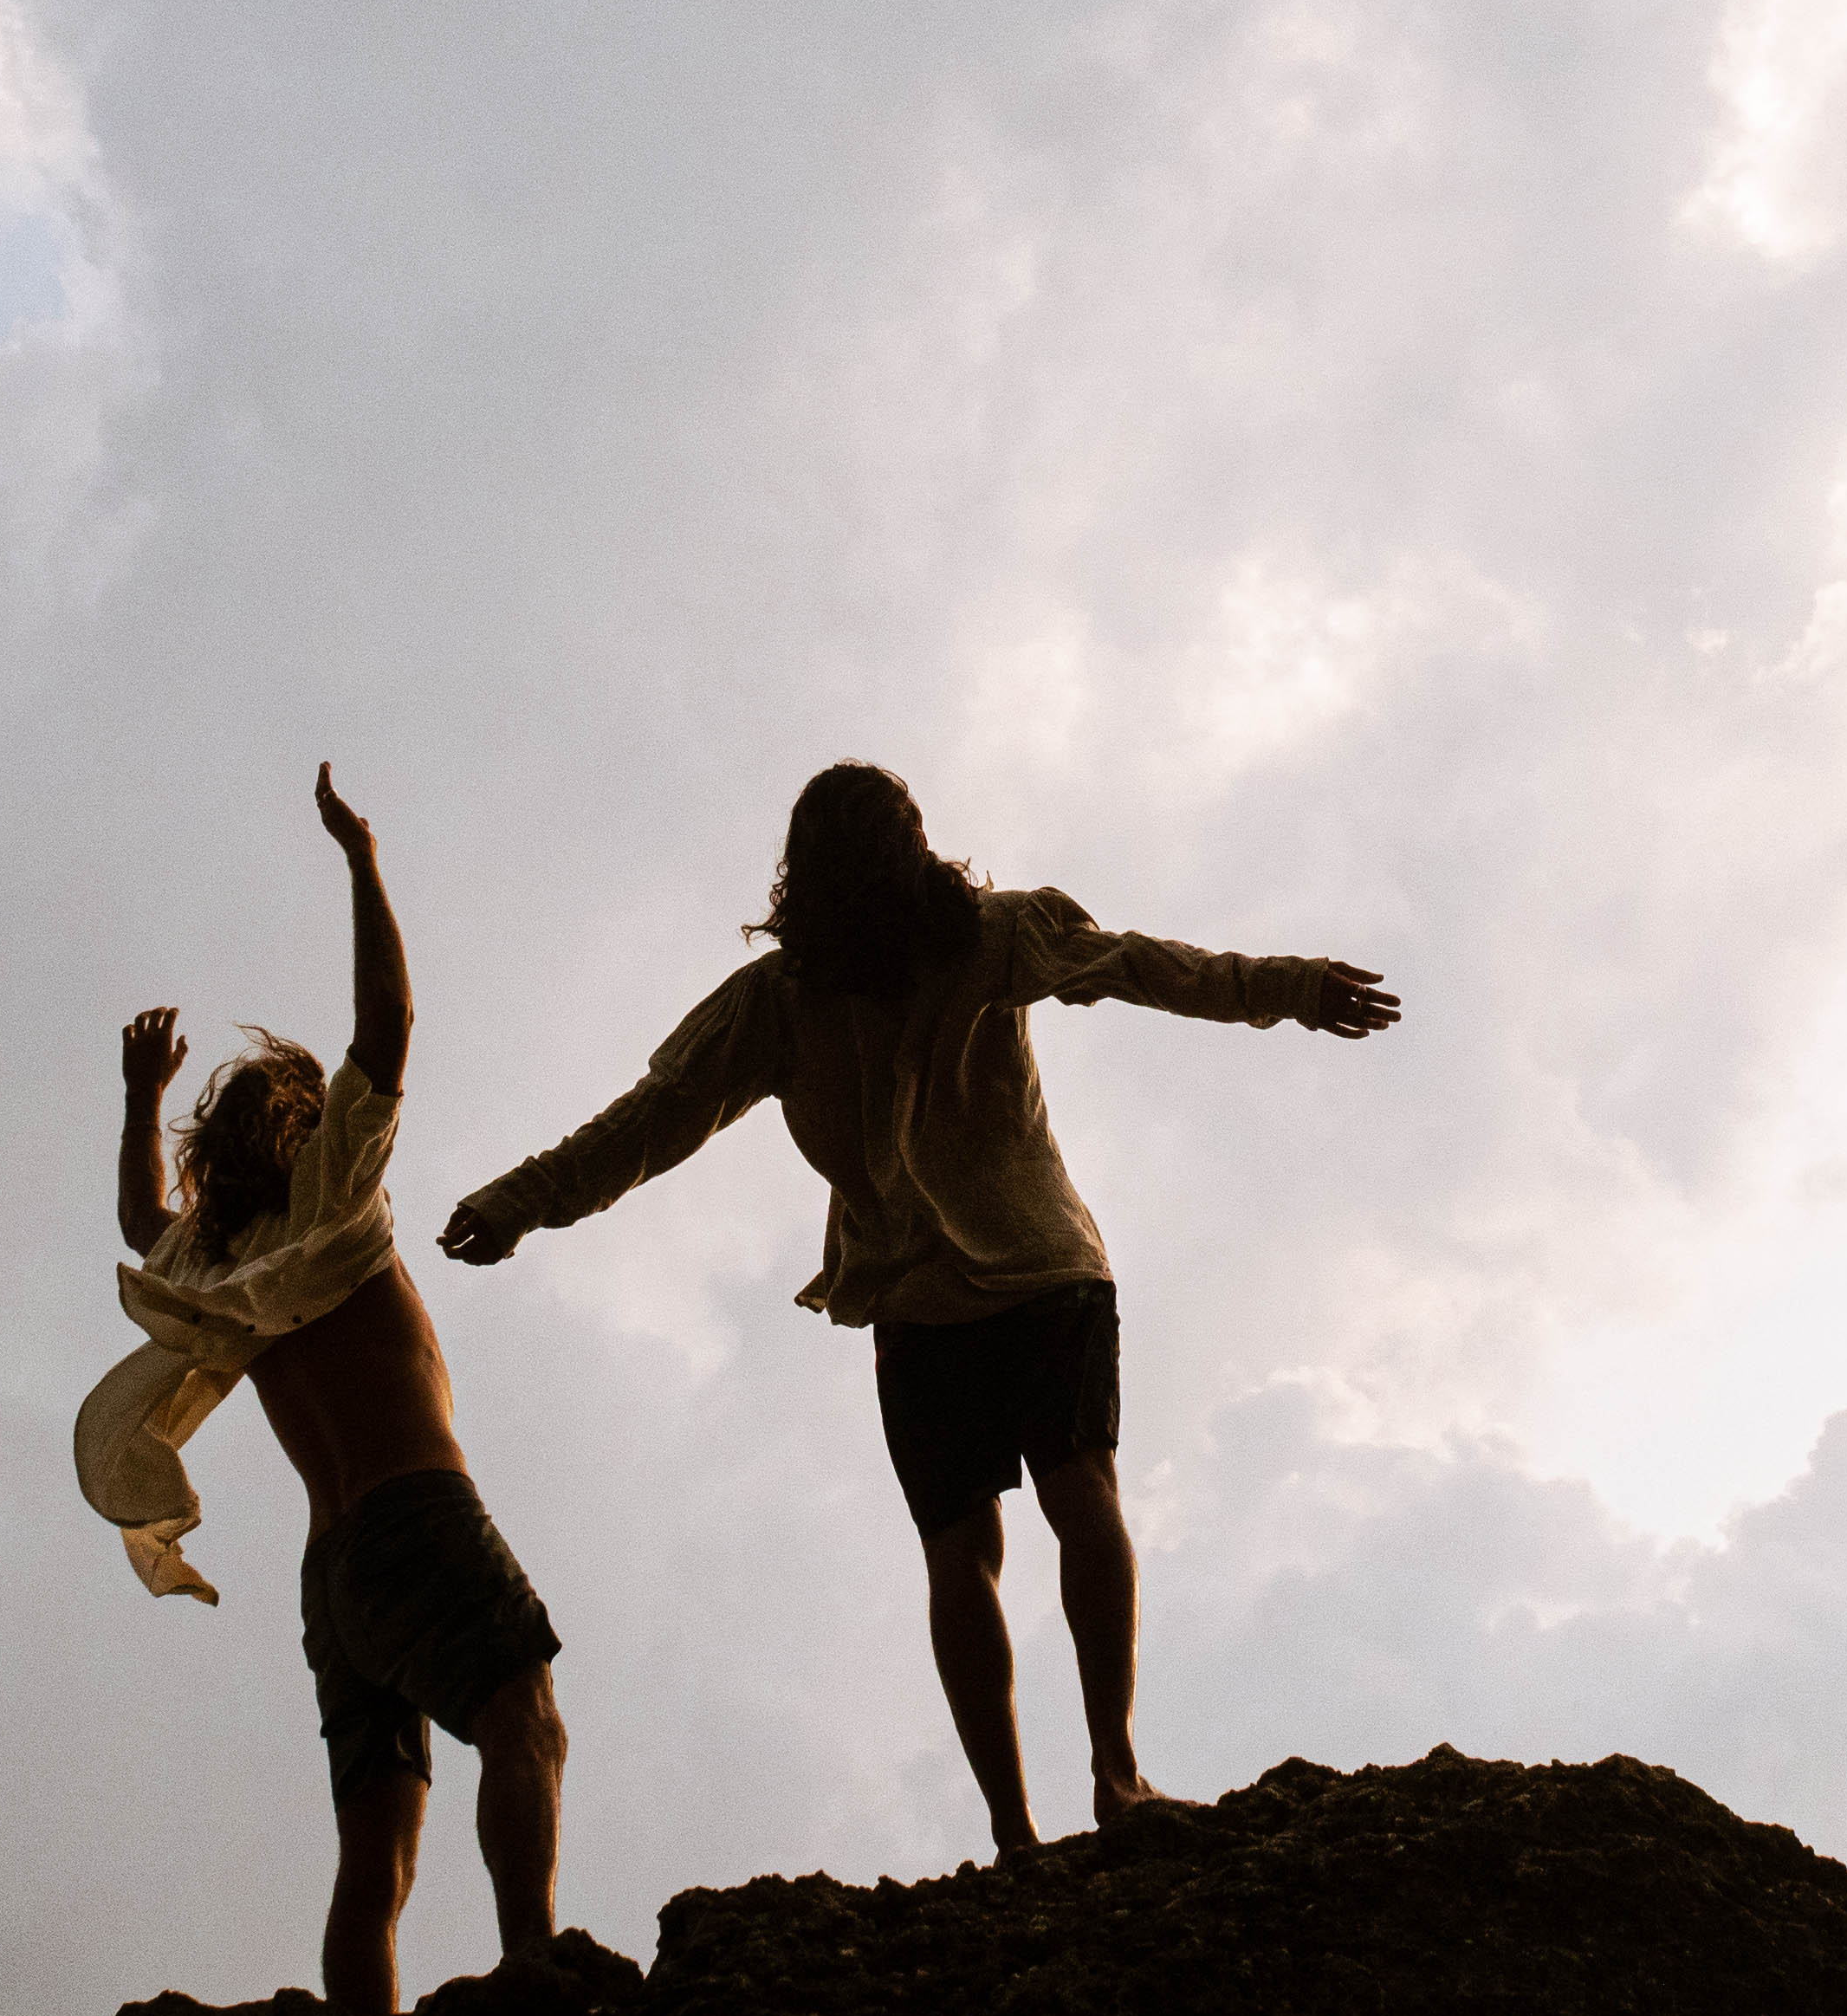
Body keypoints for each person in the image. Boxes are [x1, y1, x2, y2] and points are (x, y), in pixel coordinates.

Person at [439, 761, 1397, 1855]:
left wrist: (521, 1200)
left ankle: (1022, 1825)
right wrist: (1292, 988)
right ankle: (1111, 1778)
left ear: (798, 874)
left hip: (961, 1288)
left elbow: (650, 1121)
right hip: (1026, 1268)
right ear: (912, 846)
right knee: (1069, 1496)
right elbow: (1142, 966)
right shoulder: (943, 946)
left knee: (971, 1545)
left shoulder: (839, 981)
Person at [74, 765, 566, 2016]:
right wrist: (363, 862)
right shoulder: (332, 1202)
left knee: (373, 1852)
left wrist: (137, 1101)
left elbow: (144, 1221)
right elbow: (387, 1031)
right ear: (298, 1126)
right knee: (523, 1716)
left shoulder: (222, 1263)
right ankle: (534, 1970)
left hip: (333, 1576)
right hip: (416, 1516)